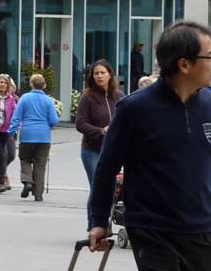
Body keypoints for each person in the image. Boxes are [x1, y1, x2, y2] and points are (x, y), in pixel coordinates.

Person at [88, 21, 211, 268]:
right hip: (153, 229)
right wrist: (99, 220)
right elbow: (106, 168)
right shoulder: (135, 109)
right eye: (209, 56)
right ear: (184, 64)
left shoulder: (210, 104)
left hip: (204, 227)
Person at [75, 59, 124, 229]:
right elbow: (80, 123)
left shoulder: (118, 96)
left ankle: (105, 222)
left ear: (110, 74)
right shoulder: (87, 97)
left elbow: (127, 119)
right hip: (92, 150)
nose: (99, 76)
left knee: (112, 189)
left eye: (103, 72)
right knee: (97, 187)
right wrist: (101, 131)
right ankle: (94, 225)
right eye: (96, 73)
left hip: (113, 150)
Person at [7, 73, 59, 202]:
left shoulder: (25, 98)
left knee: (25, 159)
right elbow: (53, 121)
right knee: (40, 165)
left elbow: (16, 116)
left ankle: (27, 182)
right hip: (43, 137)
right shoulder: (48, 100)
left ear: (31, 84)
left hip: (27, 135)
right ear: (44, 85)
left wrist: (11, 131)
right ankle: (38, 194)